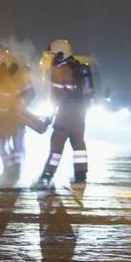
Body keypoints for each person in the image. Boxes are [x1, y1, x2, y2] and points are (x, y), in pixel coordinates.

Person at [32, 39, 94, 189]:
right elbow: (89, 94)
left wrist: (48, 118)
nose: (52, 58)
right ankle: (81, 175)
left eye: (53, 54)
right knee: (79, 143)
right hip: (80, 113)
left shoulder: (59, 71)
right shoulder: (80, 68)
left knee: (56, 146)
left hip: (65, 113)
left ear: (60, 54)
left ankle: (46, 176)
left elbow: (55, 98)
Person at [0, 48, 37, 185]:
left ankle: (16, 171)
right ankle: (8, 168)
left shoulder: (20, 77)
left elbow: (30, 93)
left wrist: (19, 101)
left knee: (17, 145)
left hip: (16, 116)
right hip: (2, 116)